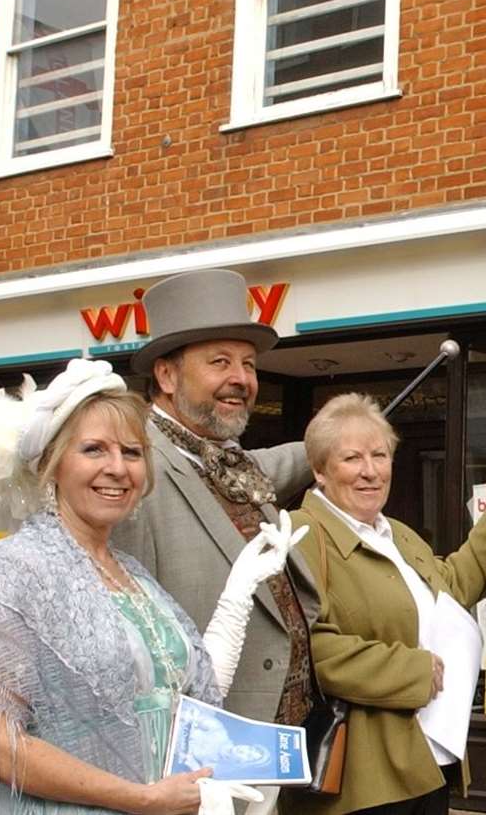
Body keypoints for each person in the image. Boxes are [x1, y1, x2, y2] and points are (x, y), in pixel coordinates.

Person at [0, 359, 303, 814]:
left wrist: (238, 595)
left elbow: (183, 697)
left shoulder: (133, 574)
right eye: (94, 450)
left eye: (133, 452)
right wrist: (141, 799)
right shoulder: (7, 573)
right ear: (51, 465)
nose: (118, 468)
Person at [278, 393, 486, 815]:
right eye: (352, 458)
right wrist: (412, 670)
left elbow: (450, 588)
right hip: (362, 781)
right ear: (319, 470)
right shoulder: (300, 535)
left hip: (429, 761)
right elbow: (305, 646)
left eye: (380, 455)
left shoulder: (395, 533)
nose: (371, 471)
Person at [111, 269, 317, 728]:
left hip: (283, 735)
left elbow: (283, 463)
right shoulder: (133, 470)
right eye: (220, 362)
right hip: (207, 742)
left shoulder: (233, 462)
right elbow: (127, 641)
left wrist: (337, 442)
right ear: (166, 374)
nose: (241, 379)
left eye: (248, 364)